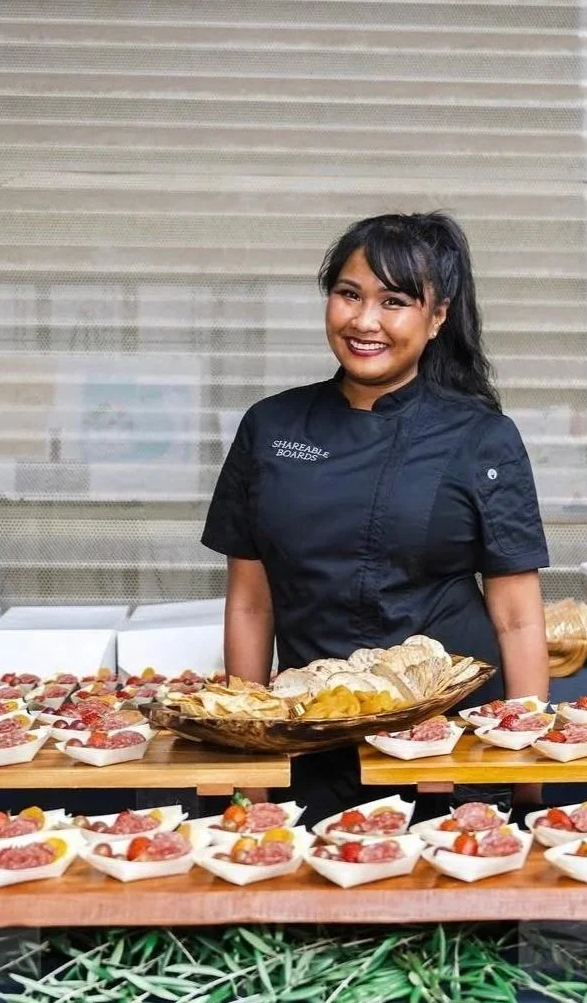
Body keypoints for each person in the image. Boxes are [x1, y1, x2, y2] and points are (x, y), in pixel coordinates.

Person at [202, 212, 550, 818]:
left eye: (394, 301)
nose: (365, 321)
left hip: (454, 743)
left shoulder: (482, 437)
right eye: (348, 294)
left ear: (437, 317)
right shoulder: (272, 427)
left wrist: (526, 783)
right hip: (312, 731)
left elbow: (519, 618)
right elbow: (251, 603)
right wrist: (252, 760)